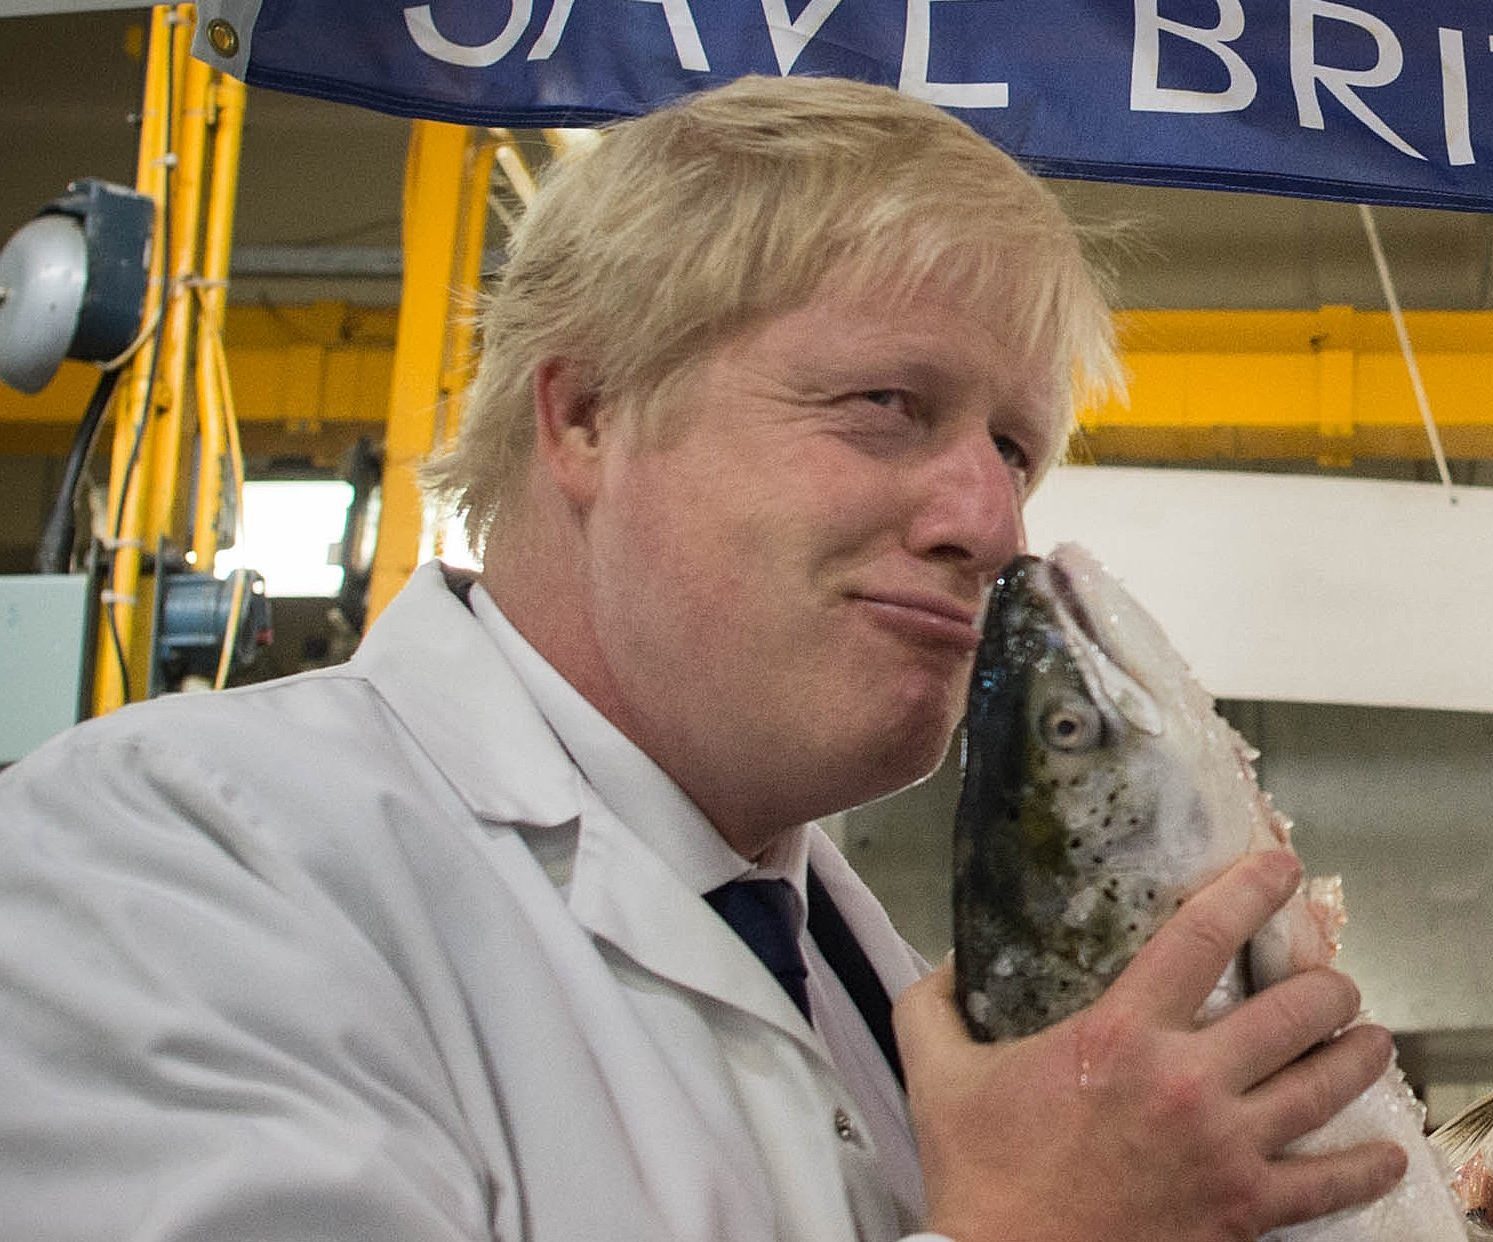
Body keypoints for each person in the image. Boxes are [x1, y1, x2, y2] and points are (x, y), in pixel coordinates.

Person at [0, 75, 1404, 1241]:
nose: (992, 521)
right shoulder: (157, 863)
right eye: (887, 405)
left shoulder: (857, 967)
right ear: (587, 413)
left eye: (1013, 448)